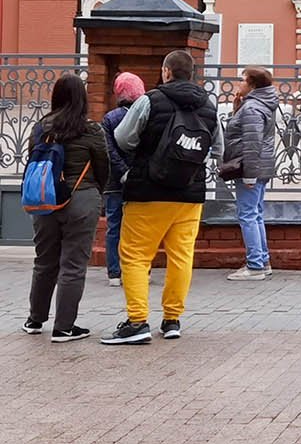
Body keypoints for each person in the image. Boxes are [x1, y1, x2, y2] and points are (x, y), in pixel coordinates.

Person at [104, 49, 225, 344]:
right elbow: (219, 150)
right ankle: (172, 320)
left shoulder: (150, 100)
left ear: (166, 72)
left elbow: (123, 138)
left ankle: (137, 322)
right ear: (192, 73)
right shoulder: (209, 106)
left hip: (148, 191)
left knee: (134, 256)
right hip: (190, 194)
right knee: (181, 257)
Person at [24, 73, 109, 343]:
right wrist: (98, 191)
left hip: (45, 199)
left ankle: (34, 320)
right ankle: (63, 327)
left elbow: (31, 160)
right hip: (81, 199)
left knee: (44, 261)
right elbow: (103, 165)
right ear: (82, 98)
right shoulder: (90, 129)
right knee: (72, 264)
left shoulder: (41, 127)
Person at [224, 67, 278, 281]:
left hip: (251, 167)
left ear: (253, 85)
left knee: (247, 214)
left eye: (242, 80)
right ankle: (262, 261)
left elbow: (253, 141)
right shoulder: (258, 104)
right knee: (255, 213)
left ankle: (255, 265)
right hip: (260, 166)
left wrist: (249, 174)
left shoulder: (253, 107)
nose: (239, 84)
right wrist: (236, 109)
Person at [100, 71, 146, 288]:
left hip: (114, 182)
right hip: (140, 180)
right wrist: (135, 171)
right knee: (138, 227)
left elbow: (108, 150)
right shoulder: (147, 116)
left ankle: (114, 272)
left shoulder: (109, 118)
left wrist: (122, 170)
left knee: (113, 227)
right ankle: (138, 269)